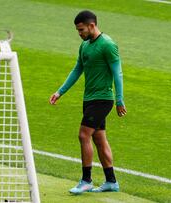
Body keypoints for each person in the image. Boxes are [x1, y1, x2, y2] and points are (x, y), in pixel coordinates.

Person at [49, 10, 127, 195]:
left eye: (81, 29)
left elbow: (118, 73)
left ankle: (86, 180)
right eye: (77, 30)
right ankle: (111, 181)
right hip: (89, 99)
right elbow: (77, 70)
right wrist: (60, 91)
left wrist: (119, 100)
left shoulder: (107, 45)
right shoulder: (84, 46)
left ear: (92, 25)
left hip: (103, 99)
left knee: (84, 135)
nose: (79, 33)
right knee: (99, 139)